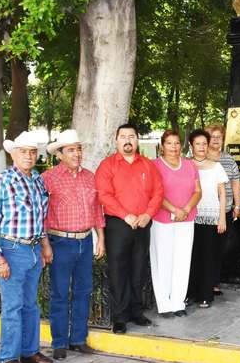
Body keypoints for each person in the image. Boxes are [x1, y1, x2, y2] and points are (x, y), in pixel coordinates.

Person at [0, 131, 53, 363]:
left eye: (33, 151)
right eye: (24, 151)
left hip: (33, 249)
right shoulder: (1, 181)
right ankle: (7, 357)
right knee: (13, 306)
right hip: (11, 249)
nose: (29, 156)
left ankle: (29, 351)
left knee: (31, 305)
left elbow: (41, 218)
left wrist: (44, 245)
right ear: (13, 154)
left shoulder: (38, 180)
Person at [42, 129, 105, 360]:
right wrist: (45, 244)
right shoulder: (48, 178)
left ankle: (78, 339)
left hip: (85, 241)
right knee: (59, 293)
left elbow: (97, 210)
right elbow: (41, 214)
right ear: (59, 154)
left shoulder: (90, 176)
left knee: (83, 291)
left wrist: (101, 239)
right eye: (71, 150)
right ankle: (59, 342)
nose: (77, 153)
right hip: (60, 242)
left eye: (79, 149)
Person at [95, 123, 163, 334]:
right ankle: (119, 317)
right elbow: (103, 194)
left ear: (137, 140)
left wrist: (147, 214)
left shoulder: (148, 165)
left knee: (138, 269)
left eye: (131, 136)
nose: (127, 140)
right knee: (118, 270)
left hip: (143, 223)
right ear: (116, 141)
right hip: (118, 225)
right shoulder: (107, 165)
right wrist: (126, 215)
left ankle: (136, 311)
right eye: (123, 136)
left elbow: (158, 192)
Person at [151, 130, 201, 318]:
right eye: (170, 143)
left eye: (177, 143)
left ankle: (178, 302)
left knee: (182, 260)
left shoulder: (189, 165)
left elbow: (197, 191)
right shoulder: (154, 165)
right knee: (163, 261)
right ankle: (164, 304)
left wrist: (186, 209)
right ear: (162, 146)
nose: (174, 147)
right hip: (163, 220)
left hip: (186, 219)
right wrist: (174, 210)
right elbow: (155, 194)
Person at [187, 129, 228, 308]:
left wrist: (222, 218)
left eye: (204, 143)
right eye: (198, 144)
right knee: (191, 256)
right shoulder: (186, 165)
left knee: (209, 256)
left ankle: (205, 295)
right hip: (190, 217)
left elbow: (222, 193)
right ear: (191, 146)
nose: (202, 147)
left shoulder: (217, 166)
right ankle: (190, 293)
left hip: (211, 218)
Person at [205, 124, 240, 296]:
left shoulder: (228, 159)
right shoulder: (198, 158)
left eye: (219, 137)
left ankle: (214, 282)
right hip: (204, 211)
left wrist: (237, 205)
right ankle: (202, 282)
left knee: (220, 248)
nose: (216, 140)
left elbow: (235, 182)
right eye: (213, 136)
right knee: (205, 248)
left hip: (225, 210)